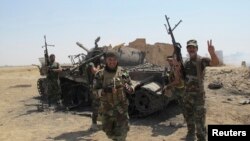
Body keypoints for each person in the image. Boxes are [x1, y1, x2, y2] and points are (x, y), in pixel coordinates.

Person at [183, 39, 219, 141]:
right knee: (189, 117)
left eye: (193, 47)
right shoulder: (186, 63)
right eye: (189, 47)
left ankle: (202, 137)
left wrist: (212, 53)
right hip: (187, 95)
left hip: (198, 95)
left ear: (197, 49)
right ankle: (190, 134)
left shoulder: (201, 60)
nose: (191, 49)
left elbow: (215, 63)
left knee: (199, 119)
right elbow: (182, 78)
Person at [93, 51, 133, 141]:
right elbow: (94, 92)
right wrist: (104, 91)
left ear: (117, 60)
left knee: (122, 134)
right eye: (110, 60)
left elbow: (130, 84)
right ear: (106, 61)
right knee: (109, 133)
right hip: (107, 110)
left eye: (114, 59)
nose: (112, 62)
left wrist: (130, 88)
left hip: (121, 110)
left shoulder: (123, 72)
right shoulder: (100, 74)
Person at [164, 56, 186, 126]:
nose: (170, 62)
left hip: (181, 89)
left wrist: (168, 86)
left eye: (171, 61)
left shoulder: (176, 68)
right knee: (182, 105)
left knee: (184, 106)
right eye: (169, 61)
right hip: (178, 89)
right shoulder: (173, 68)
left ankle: (187, 121)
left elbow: (177, 81)